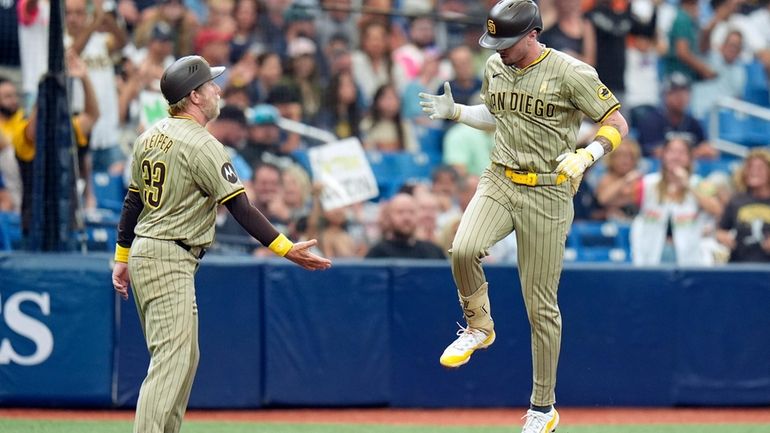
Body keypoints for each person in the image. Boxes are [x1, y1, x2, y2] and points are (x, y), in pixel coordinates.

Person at [418, 0, 629, 431]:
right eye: (494, 41)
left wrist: (589, 153)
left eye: (508, 42)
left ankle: (542, 408)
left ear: (533, 34)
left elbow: (616, 122)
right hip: (500, 177)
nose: (499, 50)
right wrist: (457, 112)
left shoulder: (572, 72)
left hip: (549, 191)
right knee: (463, 249)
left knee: (540, 307)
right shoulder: (495, 66)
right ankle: (479, 326)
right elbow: (498, 117)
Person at [110, 55, 331, 433]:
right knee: (170, 363)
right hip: (168, 254)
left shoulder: (150, 134)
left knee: (183, 359)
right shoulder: (203, 144)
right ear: (194, 96)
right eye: (211, 85)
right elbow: (240, 208)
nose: (217, 91)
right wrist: (285, 248)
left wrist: (122, 256)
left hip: (153, 251)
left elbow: (134, 200)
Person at [630, 134, 723, 265]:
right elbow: (608, 200)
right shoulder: (647, 183)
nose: (676, 156)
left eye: (681, 152)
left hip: (688, 256)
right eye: (671, 151)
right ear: (663, 155)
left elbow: (717, 209)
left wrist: (688, 184)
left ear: (690, 158)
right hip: (652, 254)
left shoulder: (699, 183)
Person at [716, 148, 770, 262]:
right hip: (740, 265)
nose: (754, 171)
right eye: (750, 167)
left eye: (760, 168)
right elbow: (721, 230)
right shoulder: (736, 200)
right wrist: (724, 237)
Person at [365, 192, 446, 259]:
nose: (406, 217)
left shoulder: (433, 252)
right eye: (400, 212)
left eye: (411, 212)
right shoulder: (377, 253)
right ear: (389, 216)